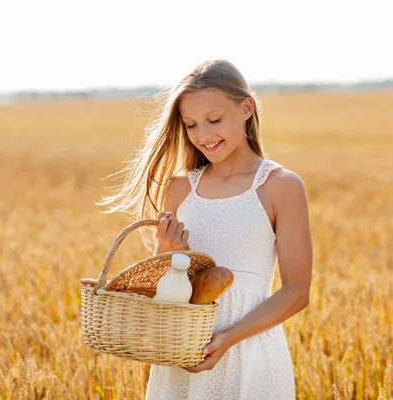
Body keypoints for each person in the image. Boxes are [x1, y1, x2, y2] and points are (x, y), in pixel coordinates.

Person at [96, 59, 313, 400]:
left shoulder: (280, 186)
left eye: (214, 120)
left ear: (246, 108)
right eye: (191, 124)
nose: (203, 135)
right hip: (182, 355)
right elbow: (162, 291)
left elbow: (297, 292)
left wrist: (227, 339)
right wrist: (167, 252)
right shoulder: (181, 188)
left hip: (250, 353)